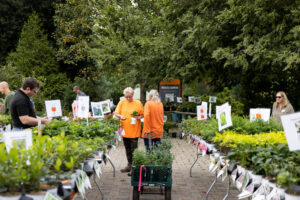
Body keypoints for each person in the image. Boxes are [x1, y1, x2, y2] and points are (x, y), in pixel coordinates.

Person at [114, 87, 143, 175]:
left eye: (129, 97)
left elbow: (142, 114)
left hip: (134, 131)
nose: (127, 99)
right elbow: (115, 113)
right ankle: (129, 165)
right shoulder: (122, 102)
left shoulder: (138, 103)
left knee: (134, 149)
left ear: (133, 95)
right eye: (126, 97)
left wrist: (138, 117)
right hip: (123, 129)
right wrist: (120, 116)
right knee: (127, 149)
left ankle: (134, 168)